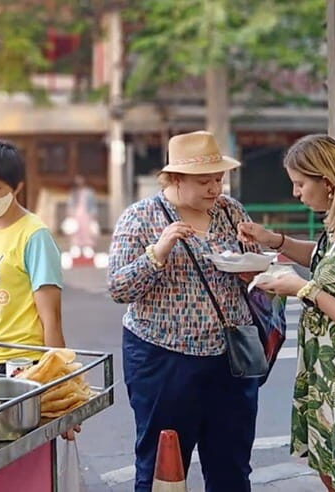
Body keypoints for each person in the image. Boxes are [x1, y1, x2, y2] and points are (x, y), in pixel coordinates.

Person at [239, 134, 335, 492]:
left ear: (327, 182)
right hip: (328, 373)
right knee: (331, 468)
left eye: (299, 183)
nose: (296, 193)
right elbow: (329, 262)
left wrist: (304, 289)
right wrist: (274, 241)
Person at [108, 131, 261, 491]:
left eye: (218, 179)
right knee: (163, 463)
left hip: (229, 355)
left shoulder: (230, 211)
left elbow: (247, 269)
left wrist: (251, 270)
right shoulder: (140, 218)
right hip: (162, 356)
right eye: (204, 181)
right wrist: (157, 253)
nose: (215, 188)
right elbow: (118, 288)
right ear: (174, 179)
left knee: (232, 464)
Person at [0, 138, 66, 367]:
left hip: (23, 360)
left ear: (17, 187)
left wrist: (58, 371)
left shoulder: (35, 235)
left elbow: (51, 318)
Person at [65, 175, 99, 259]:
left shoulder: (89, 192)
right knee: (76, 231)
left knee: (87, 230)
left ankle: (88, 247)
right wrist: (69, 213)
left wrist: (94, 214)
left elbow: (93, 204)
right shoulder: (73, 193)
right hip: (76, 215)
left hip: (87, 215)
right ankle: (76, 246)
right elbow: (70, 204)